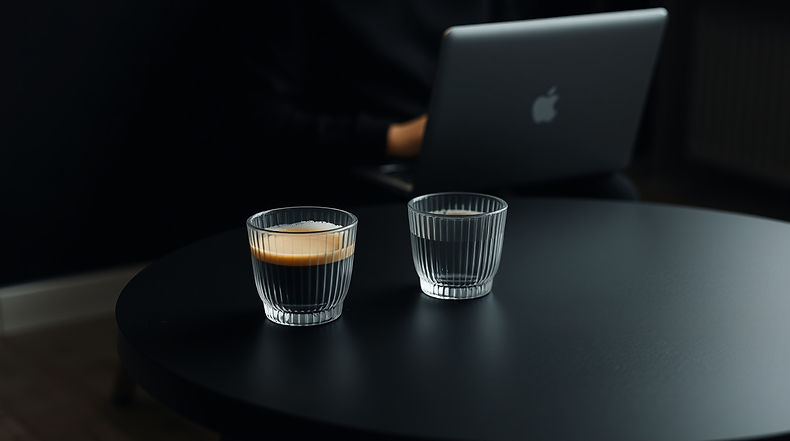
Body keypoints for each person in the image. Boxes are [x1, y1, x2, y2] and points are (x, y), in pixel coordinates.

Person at [238, 1, 638, 204]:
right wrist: (395, 138)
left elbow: (517, 56)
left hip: (486, 143)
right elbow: (262, 121)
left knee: (612, 195)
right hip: (376, 163)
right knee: (492, 212)